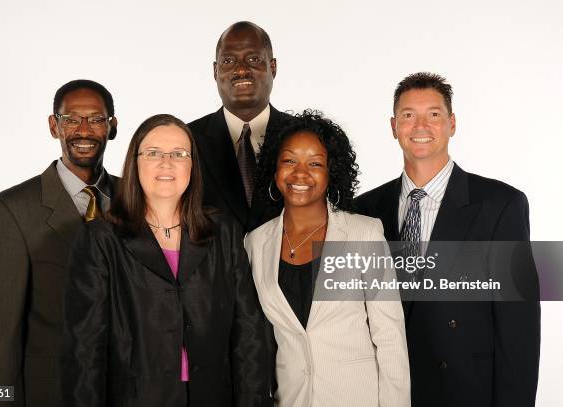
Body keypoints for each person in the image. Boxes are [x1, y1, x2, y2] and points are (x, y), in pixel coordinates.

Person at [353, 72, 540, 406]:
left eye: (434, 115)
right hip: (386, 393)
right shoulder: (364, 209)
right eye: (409, 115)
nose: (421, 126)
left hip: (466, 390)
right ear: (393, 126)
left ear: (452, 124)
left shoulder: (500, 205)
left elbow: (519, 330)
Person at [61, 114, 272, 407]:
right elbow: (84, 350)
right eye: (153, 153)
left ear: (192, 164)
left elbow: (248, 334)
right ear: (135, 162)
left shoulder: (223, 231)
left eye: (179, 154)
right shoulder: (101, 238)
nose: (166, 162)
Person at [245, 111, 410, 407]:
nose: (300, 173)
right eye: (289, 160)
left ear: (331, 172)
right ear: (274, 167)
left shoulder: (364, 234)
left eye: (315, 163)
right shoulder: (255, 243)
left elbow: (390, 338)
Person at [0, 79, 119, 407]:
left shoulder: (137, 200)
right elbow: (2, 335)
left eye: (96, 119)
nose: (83, 130)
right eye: (71, 119)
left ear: (112, 127)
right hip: (53, 393)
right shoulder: (12, 210)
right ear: (54, 126)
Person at [189, 21, 290, 232]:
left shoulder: (304, 137)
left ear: (273, 67)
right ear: (216, 71)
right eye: (228, 60)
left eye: (253, 59)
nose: (242, 70)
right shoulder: (187, 140)